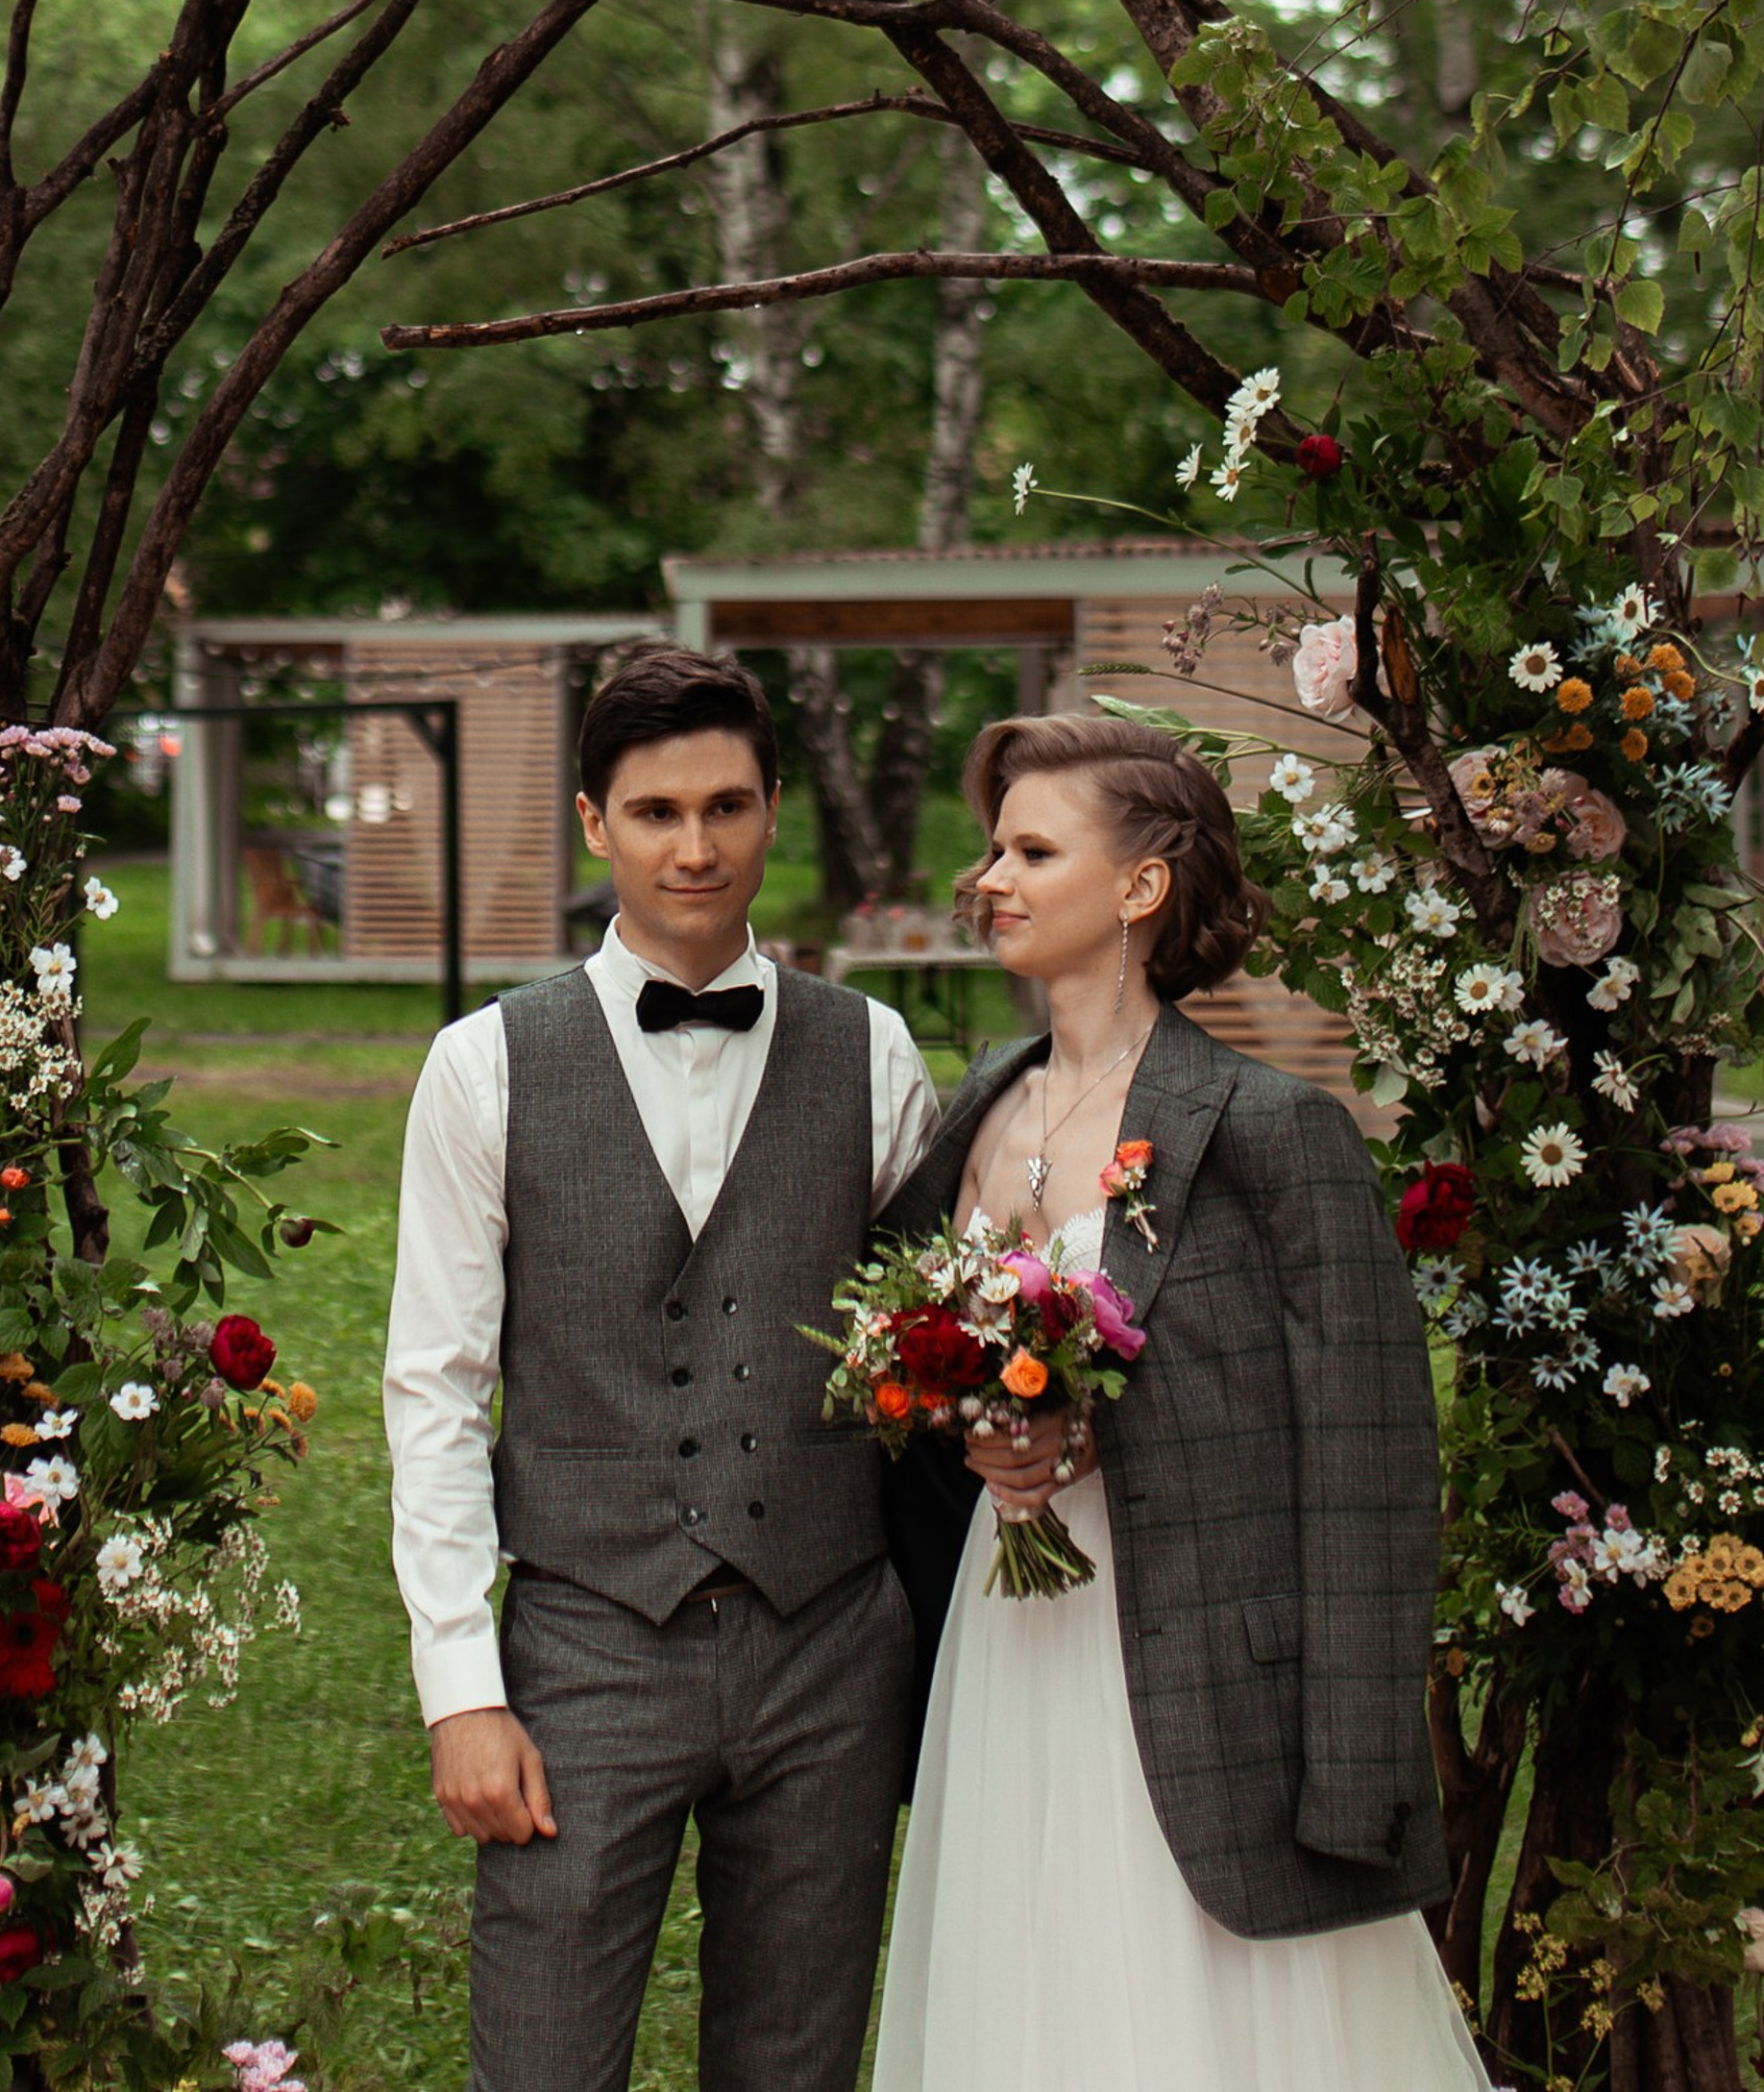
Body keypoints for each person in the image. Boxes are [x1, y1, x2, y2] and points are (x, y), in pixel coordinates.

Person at [873, 711, 1491, 2092]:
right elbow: (907, 1357)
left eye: (1033, 849)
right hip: (1012, 1636)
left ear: (1142, 889)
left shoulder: (1275, 1133)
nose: (992, 878)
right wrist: (972, 1431)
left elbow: (1373, 1463)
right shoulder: (977, 1109)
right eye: (991, 849)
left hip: (1214, 1671)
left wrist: (1354, 1767)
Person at [383, 642, 943, 2092]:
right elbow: (434, 1390)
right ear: (593, 821)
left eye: (727, 807)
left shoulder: (875, 1055)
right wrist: (462, 1689)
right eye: (655, 813)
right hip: (584, 1647)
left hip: (830, 1643)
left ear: (772, 810)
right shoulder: (484, 1066)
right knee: (547, 2058)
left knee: (798, 2065)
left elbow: (933, 1373)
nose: (695, 848)